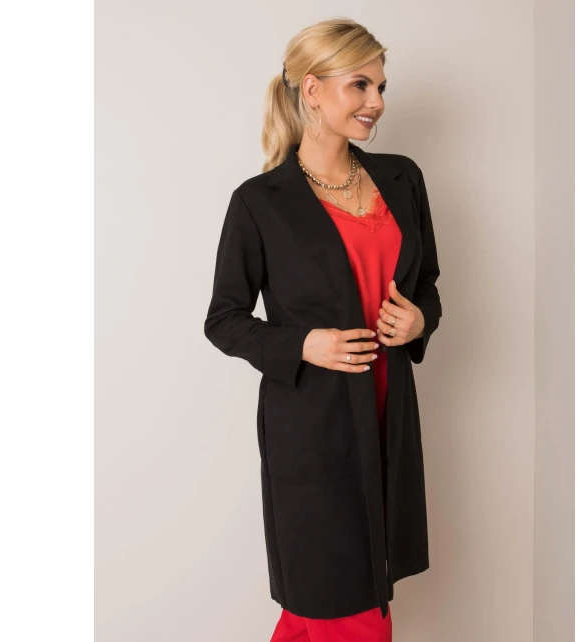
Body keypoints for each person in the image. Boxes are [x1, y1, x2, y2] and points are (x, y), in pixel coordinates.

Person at [204, 18, 442, 642]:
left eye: (381, 86)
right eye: (359, 85)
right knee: (344, 603)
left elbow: (427, 287)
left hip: (389, 416)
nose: (376, 101)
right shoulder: (260, 202)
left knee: (318, 610)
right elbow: (223, 320)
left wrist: (419, 319)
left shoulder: (402, 179)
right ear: (311, 89)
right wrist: (304, 343)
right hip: (313, 432)